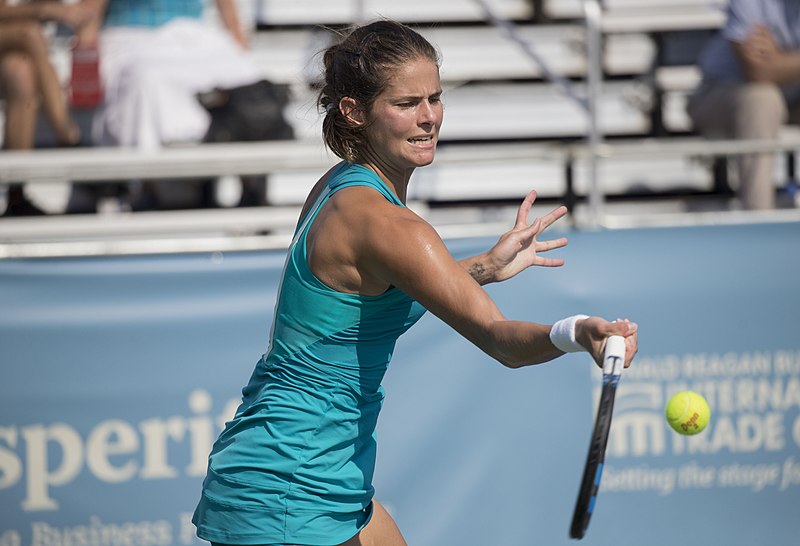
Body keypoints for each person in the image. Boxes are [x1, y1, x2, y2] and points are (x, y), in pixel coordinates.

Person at [192, 20, 639, 546]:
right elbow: (500, 340)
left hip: (305, 468)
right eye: (406, 103)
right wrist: (576, 330)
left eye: (435, 98)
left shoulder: (338, 188)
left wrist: (481, 269)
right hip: (291, 484)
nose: (428, 117)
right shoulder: (392, 227)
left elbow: (368, 294)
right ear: (354, 112)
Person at [66, 0, 265, 212]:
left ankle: (249, 185)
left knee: (245, 76)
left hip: (191, 35)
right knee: (145, 80)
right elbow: (90, 10)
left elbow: (226, 7)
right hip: (130, 36)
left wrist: (238, 45)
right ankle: (146, 185)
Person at [686, 0, 800, 210]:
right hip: (719, 93)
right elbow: (760, 72)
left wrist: (779, 60)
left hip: (792, 96)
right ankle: (758, 219)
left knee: (766, 98)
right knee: (762, 99)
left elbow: (770, 67)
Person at [0, 0, 94, 216]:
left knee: (20, 74)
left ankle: (16, 194)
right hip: (21, 36)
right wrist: (46, 11)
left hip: (15, 51)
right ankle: (69, 138)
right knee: (29, 32)